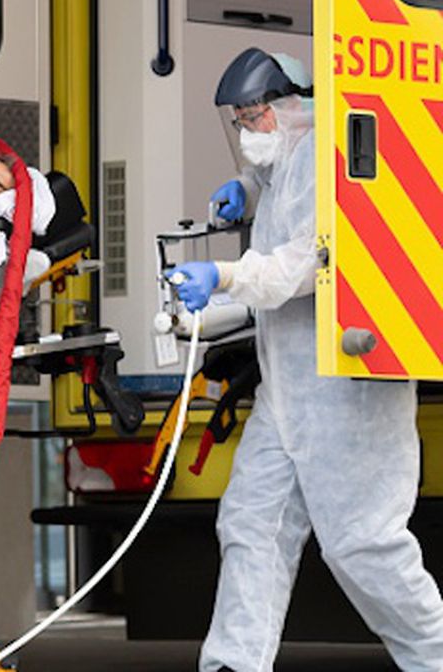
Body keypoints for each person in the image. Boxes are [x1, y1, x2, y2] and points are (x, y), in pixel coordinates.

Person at [170, 48, 443, 672]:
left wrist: (224, 275)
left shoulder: (332, 156)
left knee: (363, 545)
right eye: (240, 121)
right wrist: (244, 189)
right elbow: (275, 183)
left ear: (294, 105)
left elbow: (303, 263)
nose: (249, 131)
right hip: (288, 395)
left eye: (256, 116)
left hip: (350, 393)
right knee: (251, 525)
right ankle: (235, 663)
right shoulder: (289, 158)